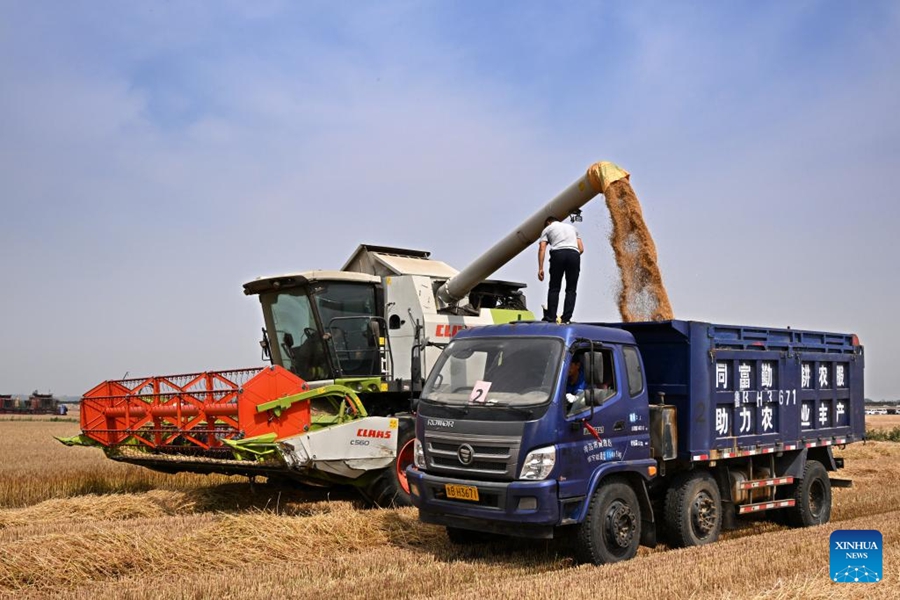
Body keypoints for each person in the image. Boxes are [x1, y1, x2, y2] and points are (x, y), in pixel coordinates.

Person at [537, 216, 583, 323]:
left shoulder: (547, 229)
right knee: (571, 289)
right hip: (574, 254)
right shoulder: (572, 228)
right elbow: (581, 248)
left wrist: (540, 268)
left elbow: (542, 248)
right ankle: (566, 318)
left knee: (554, 287)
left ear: (548, 222)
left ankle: (551, 317)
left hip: (558, 254)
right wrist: (571, 256)